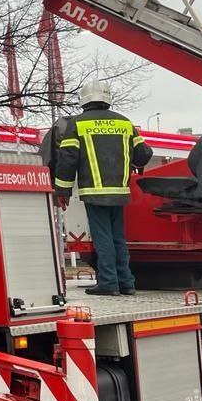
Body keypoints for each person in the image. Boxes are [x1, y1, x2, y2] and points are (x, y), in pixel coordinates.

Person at [53, 79, 153, 296]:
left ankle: (108, 283)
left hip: (94, 193)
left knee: (103, 238)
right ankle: (126, 283)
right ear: (107, 99)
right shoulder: (125, 123)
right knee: (118, 238)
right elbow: (144, 154)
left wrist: (63, 191)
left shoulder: (77, 124)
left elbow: (67, 160)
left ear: (84, 100)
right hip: (119, 192)